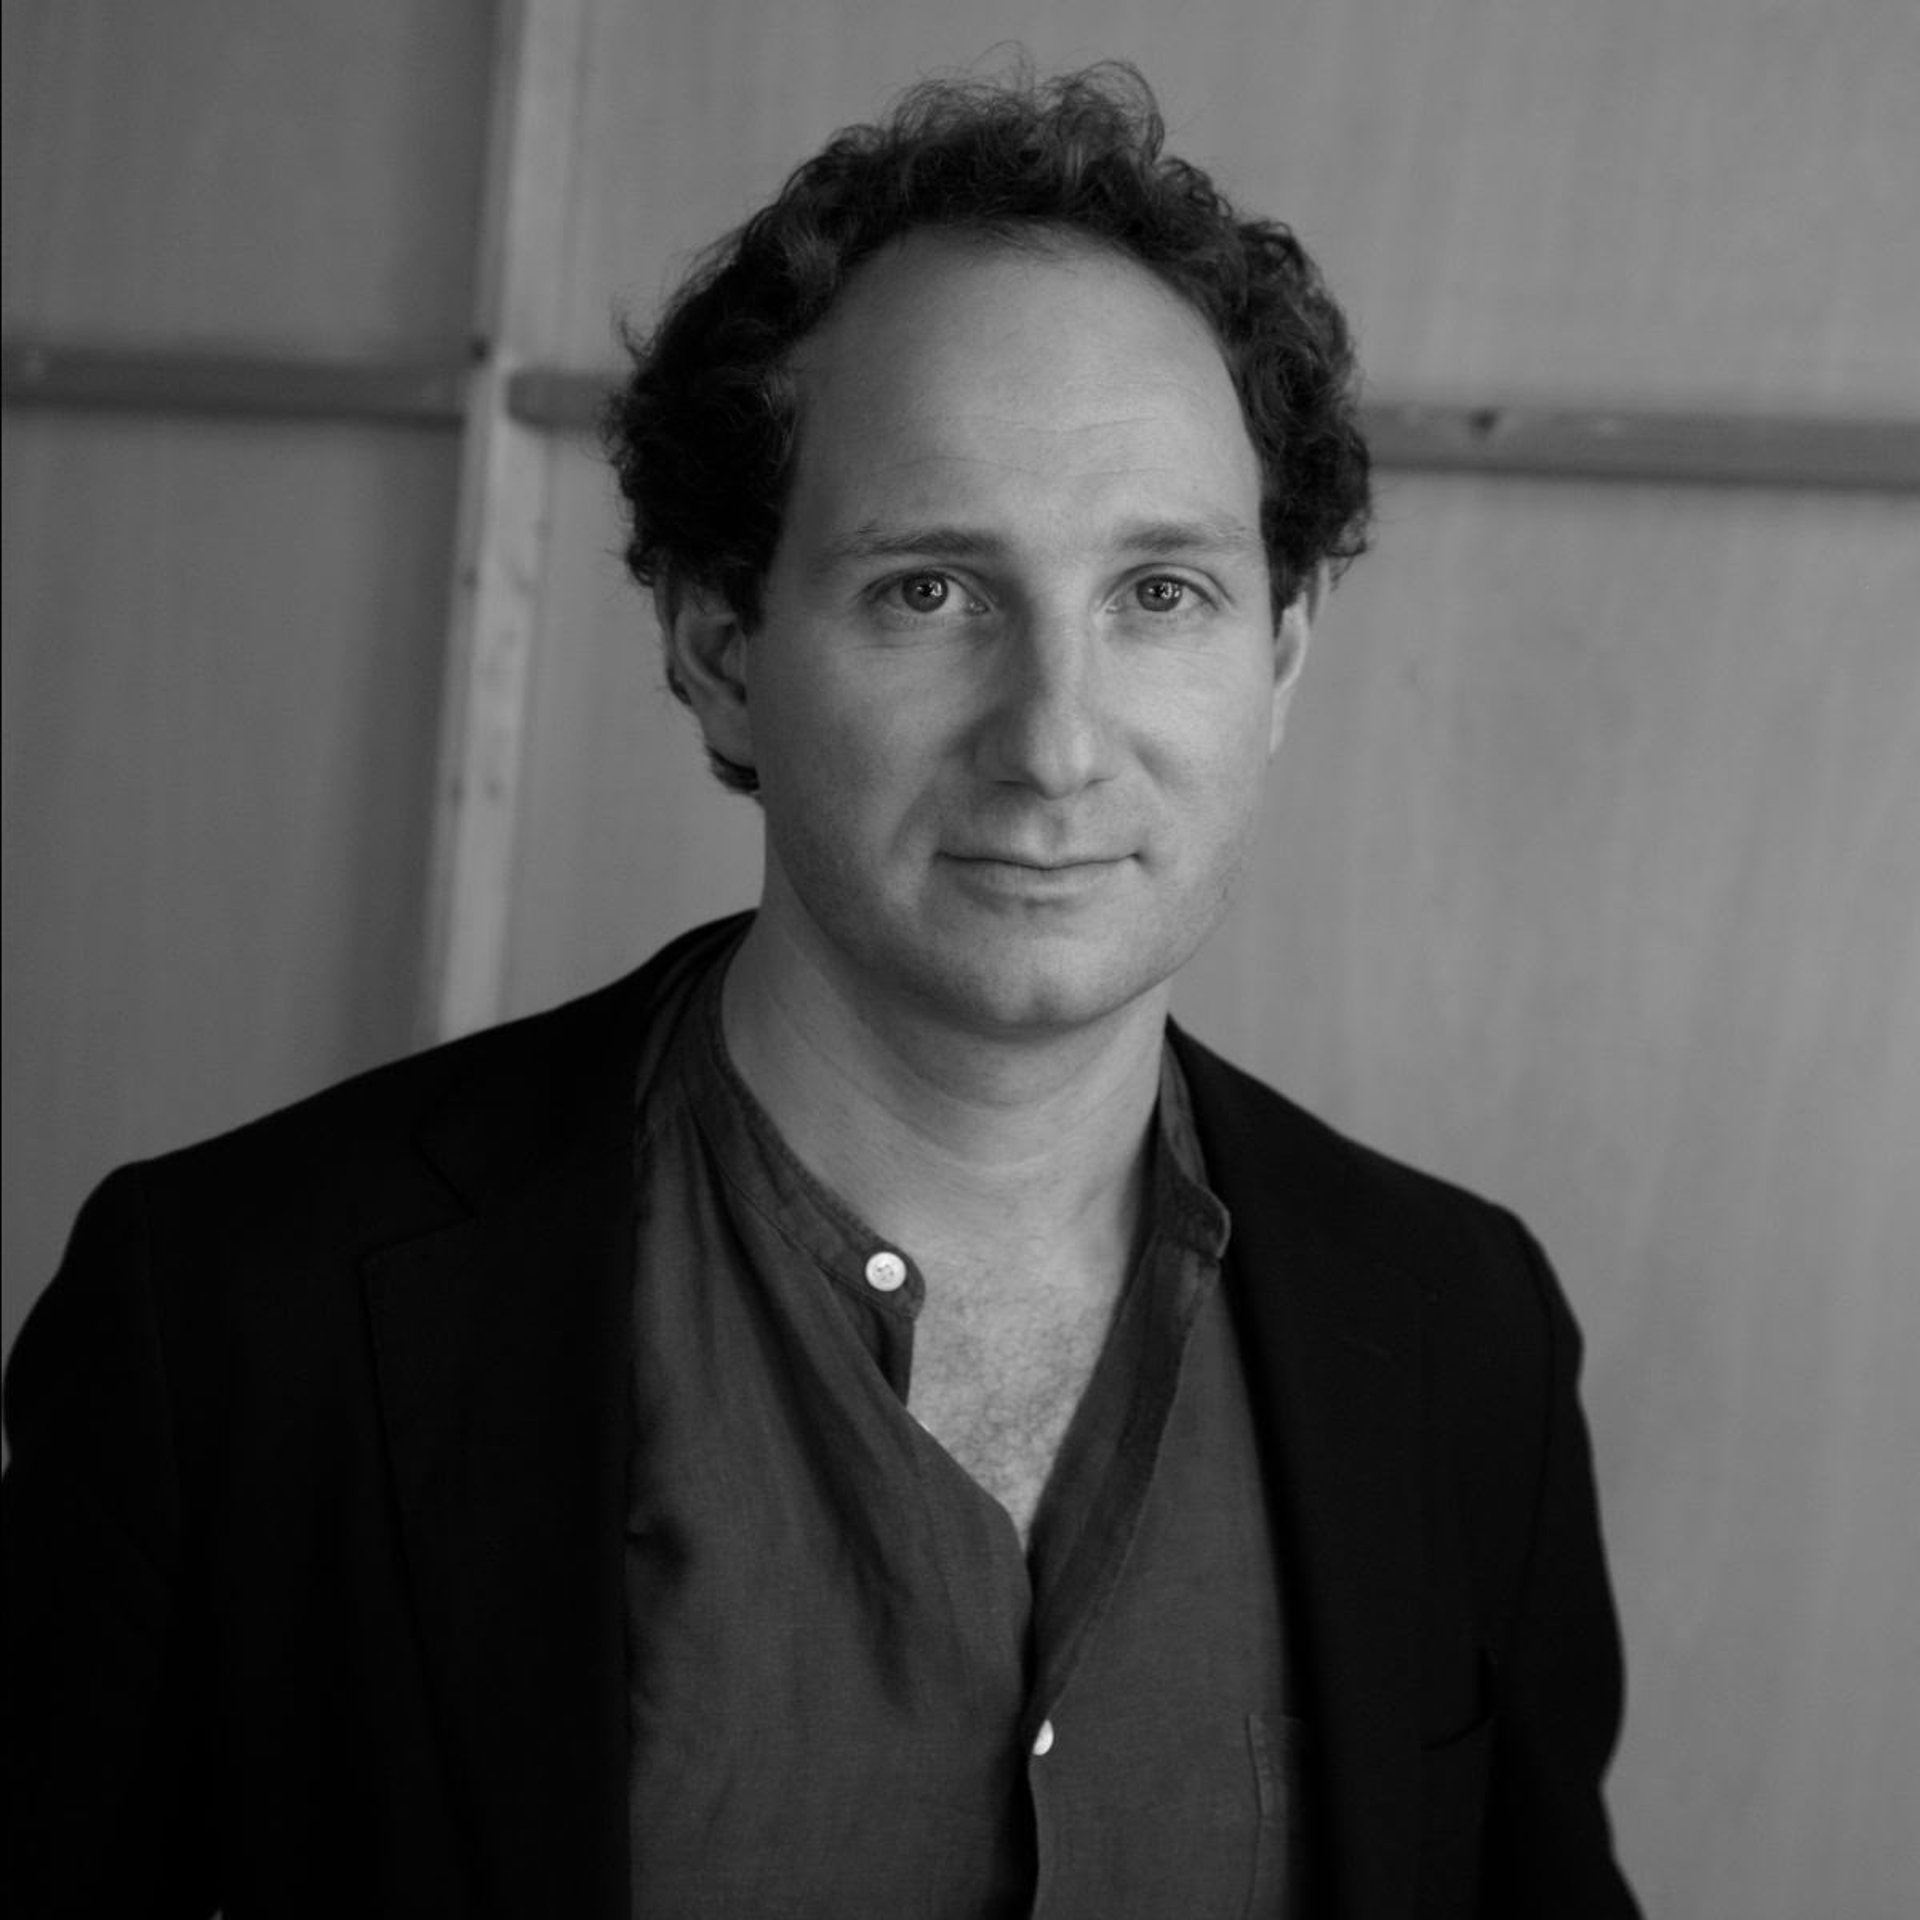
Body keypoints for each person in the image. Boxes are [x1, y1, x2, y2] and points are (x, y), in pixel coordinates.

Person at [2, 63, 1640, 1919]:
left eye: (1161, 593)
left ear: (1279, 657)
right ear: (720, 646)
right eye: (931, 591)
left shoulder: (1464, 1335)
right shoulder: (234, 1320)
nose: (1056, 742)